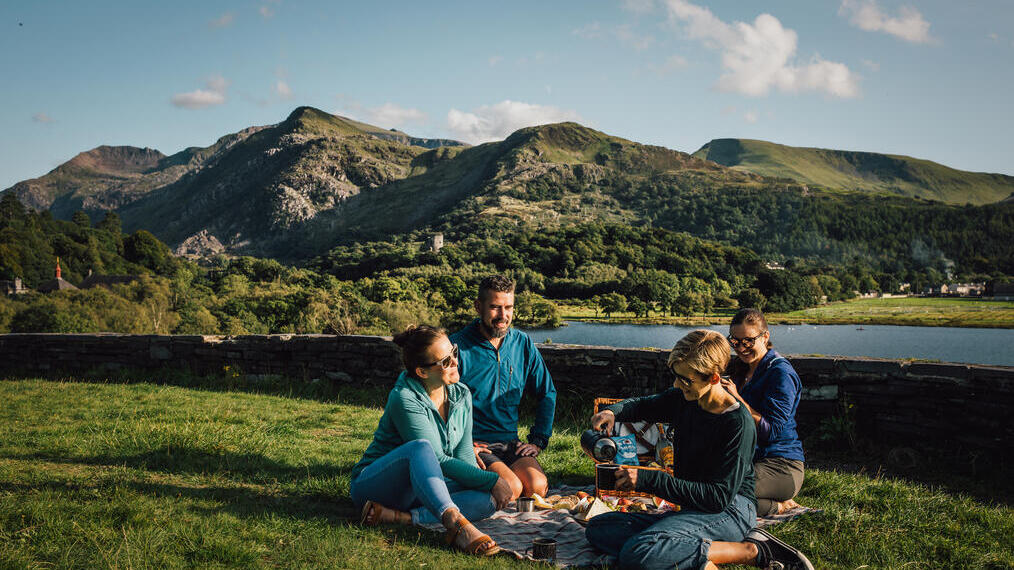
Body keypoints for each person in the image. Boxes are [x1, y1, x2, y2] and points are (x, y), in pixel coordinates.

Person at [585, 330, 814, 570]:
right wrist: (613, 412)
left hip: (730, 510)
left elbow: (717, 498)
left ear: (714, 378)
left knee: (638, 552)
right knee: (600, 528)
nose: (677, 384)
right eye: (676, 376)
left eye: (685, 379)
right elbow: (644, 405)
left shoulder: (737, 423)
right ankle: (677, 548)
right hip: (695, 508)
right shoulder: (685, 399)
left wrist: (648, 479)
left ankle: (752, 550)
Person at [350, 324, 513, 556]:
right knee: (421, 448)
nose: (455, 361)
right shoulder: (404, 397)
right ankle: (455, 523)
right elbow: (437, 458)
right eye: (445, 361)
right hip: (377, 486)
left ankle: (403, 518)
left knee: (486, 501)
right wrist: (492, 479)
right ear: (422, 372)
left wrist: (483, 485)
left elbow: (464, 454)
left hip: (422, 487)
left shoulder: (462, 394)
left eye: (454, 352)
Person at [450, 275, 557, 499]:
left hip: (511, 443)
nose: (503, 315)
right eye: (495, 307)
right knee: (512, 489)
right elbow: (439, 402)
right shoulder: (457, 346)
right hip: (476, 444)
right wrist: (461, 446)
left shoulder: (523, 343)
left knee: (537, 487)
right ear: (478, 307)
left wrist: (538, 440)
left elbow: (547, 392)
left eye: (508, 307)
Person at [722, 308, 806, 517]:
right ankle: (767, 498)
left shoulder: (780, 373)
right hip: (752, 461)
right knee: (703, 485)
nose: (741, 348)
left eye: (748, 341)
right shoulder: (742, 368)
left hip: (782, 465)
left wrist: (737, 399)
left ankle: (781, 506)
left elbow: (771, 431)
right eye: (735, 341)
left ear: (765, 336)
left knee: (720, 495)